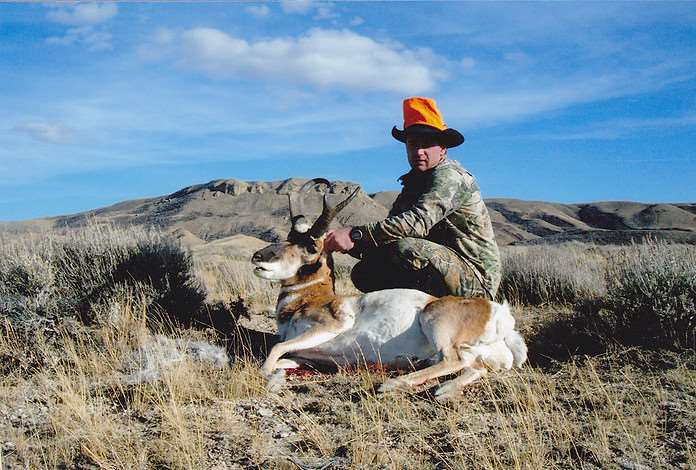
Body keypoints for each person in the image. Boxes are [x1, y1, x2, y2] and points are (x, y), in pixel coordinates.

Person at [324, 97, 501, 299]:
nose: (418, 151)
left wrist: (355, 234)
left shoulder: (450, 176)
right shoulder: (414, 184)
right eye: (412, 144)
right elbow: (388, 237)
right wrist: (348, 243)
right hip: (442, 271)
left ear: (443, 149)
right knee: (366, 271)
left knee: (406, 248)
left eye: (427, 144)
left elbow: (416, 224)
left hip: (476, 284)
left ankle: (448, 314)